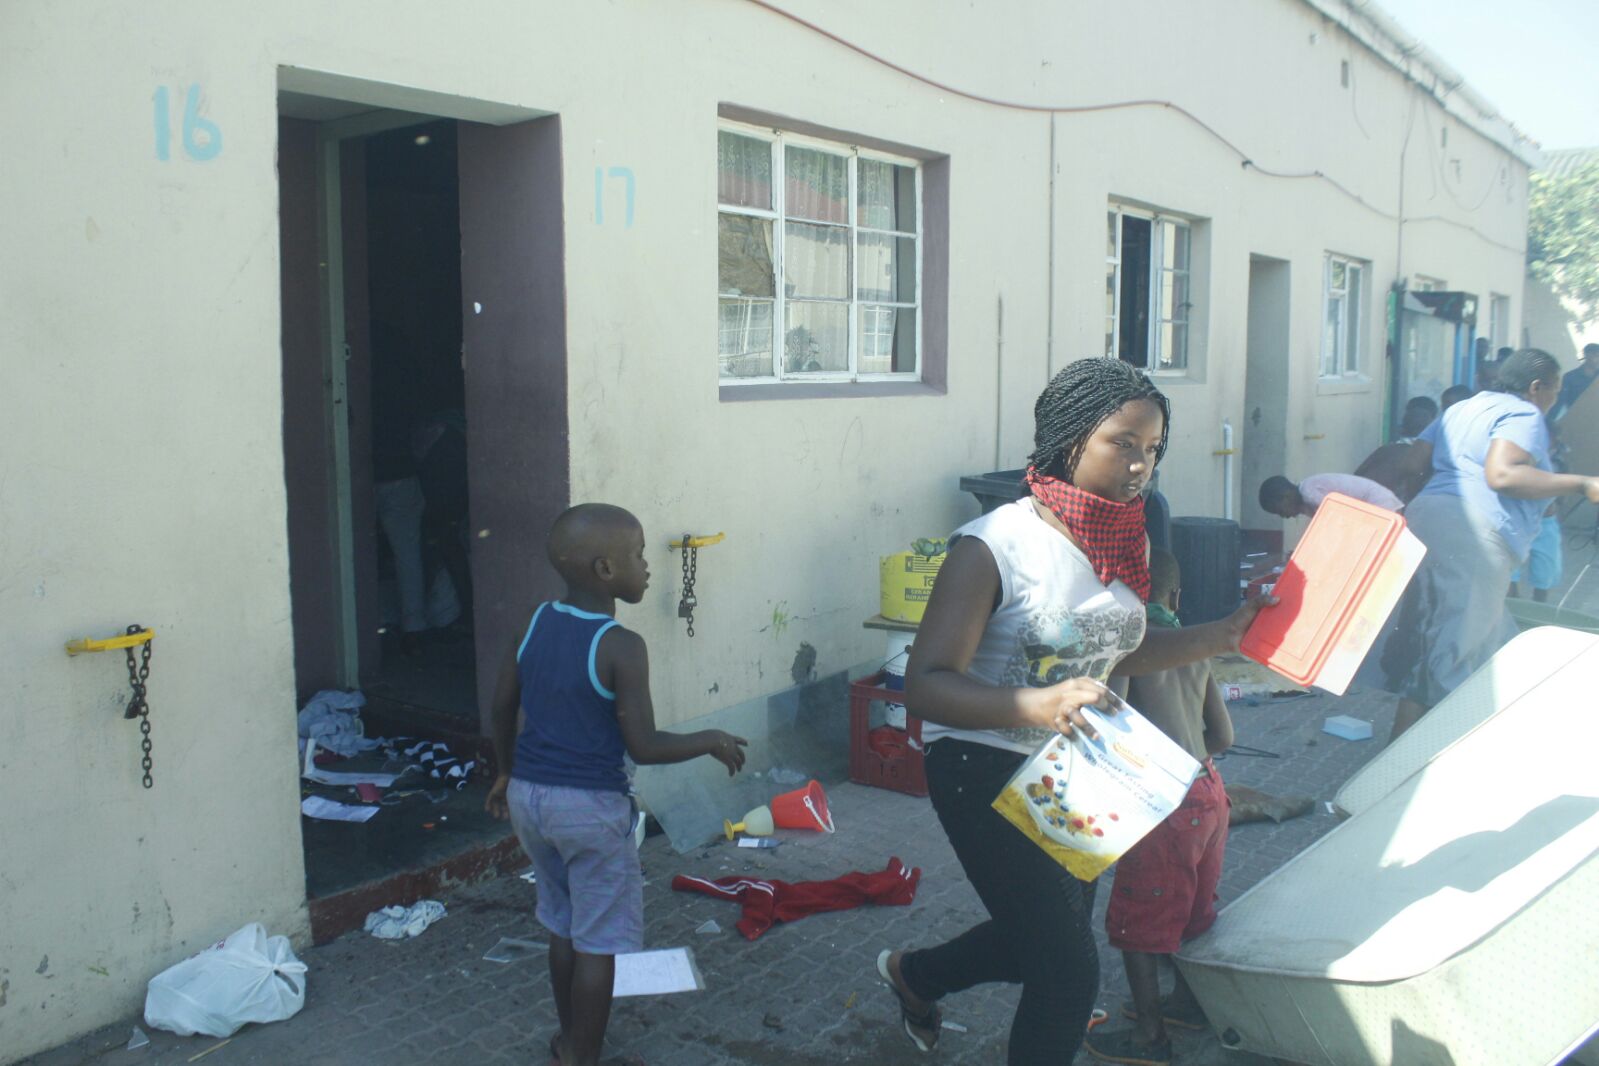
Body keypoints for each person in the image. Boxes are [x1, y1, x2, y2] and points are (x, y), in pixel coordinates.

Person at [874, 358, 1271, 1066]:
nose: (1140, 465)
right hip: (978, 762)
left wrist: (1220, 636)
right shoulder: (993, 544)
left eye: (1151, 449)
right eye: (1122, 442)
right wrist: (1037, 701)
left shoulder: (1120, 537)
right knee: (1066, 971)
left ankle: (916, 976)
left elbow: (1116, 650)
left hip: (1074, 767)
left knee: (1042, 943)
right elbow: (925, 685)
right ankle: (918, 977)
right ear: (1068, 438)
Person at [484, 503, 747, 1066]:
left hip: (529, 799)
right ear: (606, 571)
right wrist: (710, 737)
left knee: (561, 922)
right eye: (638, 555)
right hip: (590, 811)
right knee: (599, 940)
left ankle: (568, 1040)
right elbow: (643, 747)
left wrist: (504, 771)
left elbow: (502, 707)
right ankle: (584, 1056)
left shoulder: (532, 622)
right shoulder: (621, 647)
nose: (647, 566)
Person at [1380, 349, 1599, 740]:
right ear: (1536, 387)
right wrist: (1582, 483)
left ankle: (1392, 757)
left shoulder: (1464, 408)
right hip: (1472, 536)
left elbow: (1411, 462)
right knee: (1456, 656)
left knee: (1458, 649)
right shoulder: (1524, 413)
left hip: (1428, 522)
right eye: (1554, 391)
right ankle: (1431, 766)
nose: (1552, 401)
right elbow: (1501, 474)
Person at [1084, 549, 1232, 1066]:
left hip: (1162, 803)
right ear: (1176, 596)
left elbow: (1109, 727)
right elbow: (1224, 735)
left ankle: (1150, 1038)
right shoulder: (1195, 649)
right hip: (1209, 792)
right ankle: (1187, 1007)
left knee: (1138, 924)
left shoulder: (1129, 649)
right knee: (1193, 912)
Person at [1258, 472, 1403, 519]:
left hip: (1377, 503)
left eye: (1280, 511)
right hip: (1373, 504)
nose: (1284, 517)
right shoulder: (1305, 504)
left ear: (1287, 496)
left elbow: (1338, 518)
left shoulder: (1309, 492)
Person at [1555, 343, 1599, 421]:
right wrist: (1550, 421)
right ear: (1587, 355)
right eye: (1596, 355)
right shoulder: (1570, 377)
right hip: (1578, 420)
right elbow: (1560, 402)